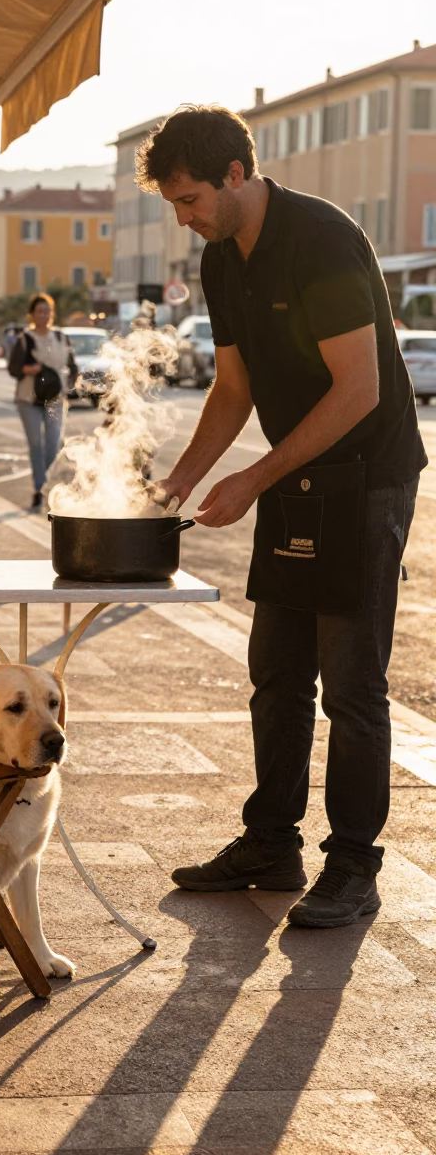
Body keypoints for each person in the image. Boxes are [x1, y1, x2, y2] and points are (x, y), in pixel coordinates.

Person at [135, 105, 427, 928]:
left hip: (366, 478)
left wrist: (255, 477)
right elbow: (232, 389)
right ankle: (271, 841)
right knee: (276, 672)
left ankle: (355, 867)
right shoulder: (222, 260)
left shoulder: (323, 238)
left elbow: (359, 389)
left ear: (236, 174)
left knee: (353, 684)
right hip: (298, 474)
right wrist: (176, 488)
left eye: (190, 199)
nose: (184, 220)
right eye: (173, 206)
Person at [8, 293, 77, 508]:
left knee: (53, 445)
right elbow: (13, 368)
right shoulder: (25, 339)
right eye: (40, 311)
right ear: (32, 315)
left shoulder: (60, 337)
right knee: (36, 445)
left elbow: (72, 366)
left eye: (48, 311)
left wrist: (74, 385)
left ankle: (50, 486)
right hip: (29, 398)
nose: (44, 315)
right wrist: (29, 369)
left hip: (55, 397)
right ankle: (39, 488)